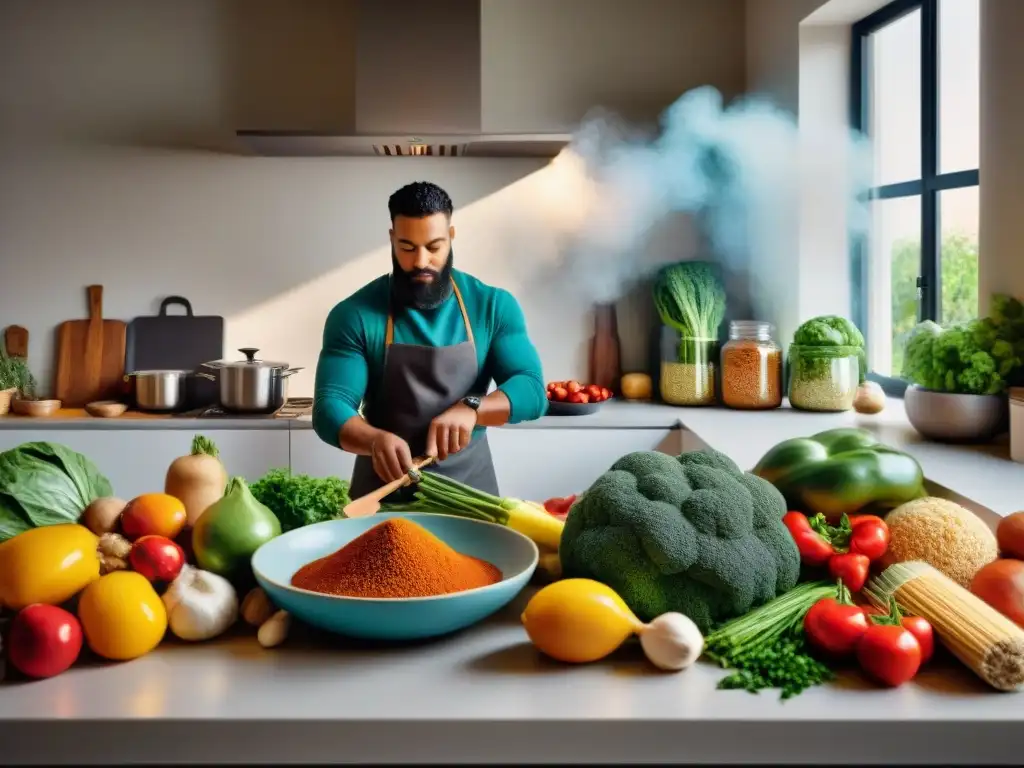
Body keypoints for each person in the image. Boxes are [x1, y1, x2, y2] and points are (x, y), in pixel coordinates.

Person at [312, 181, 547, 499]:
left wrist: (472, 407)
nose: (421, 261)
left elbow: (532, 389)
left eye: (434, 247)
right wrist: (373, 440)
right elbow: (330, 407)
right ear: (392, 239)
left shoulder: (492, 306)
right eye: (407, 247)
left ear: (451, 237)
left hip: (472, 500)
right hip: (384, 497)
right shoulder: (354, 314)